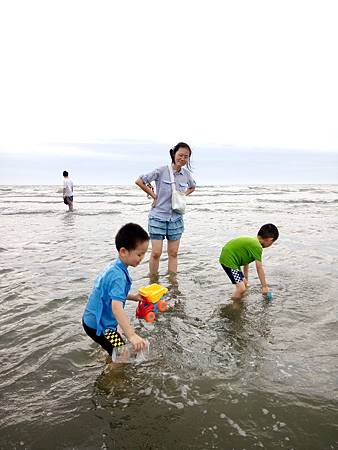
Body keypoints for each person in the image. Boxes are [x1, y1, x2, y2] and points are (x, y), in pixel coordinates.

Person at [82, 223, 149, 359]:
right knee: (122, 353)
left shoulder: (115, 267)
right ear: (123, 251)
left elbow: (112, 295)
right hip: (98, 325)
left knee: (114, 347)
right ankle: (110, 379)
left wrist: (133, 297)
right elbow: (116, 308)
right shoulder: (118, 276)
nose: (142, 258)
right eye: (139, 254)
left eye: (144, 254)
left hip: (92, 320)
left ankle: (107, 356)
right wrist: (131, 335)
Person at [135, 142, 196, 277]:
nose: (183, 159)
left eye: (186, 157)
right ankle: (153, 281)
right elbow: (139, 181)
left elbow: (192, 187)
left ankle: (173, 284)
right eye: (180, 155)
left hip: (176, 219)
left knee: (173, 253)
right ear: (174, 154)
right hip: (158, 217)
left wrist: (182, 195)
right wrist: (154, 196)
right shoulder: (161, 170)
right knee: (156, 252)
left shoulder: (186, 174)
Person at [219, 223, 279, 300]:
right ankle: (234, 306)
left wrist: (246, 280)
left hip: (231, 259)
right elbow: (259, 268)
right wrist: (264, 287)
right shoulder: (257, 247)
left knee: (244, 284)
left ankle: (240, 300)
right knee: (241, 288)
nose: (271, 244)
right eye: (272, 242)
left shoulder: (253, 242)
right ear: (269, 239)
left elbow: (245, 262)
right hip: (229, 260)